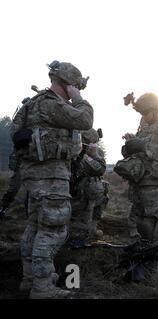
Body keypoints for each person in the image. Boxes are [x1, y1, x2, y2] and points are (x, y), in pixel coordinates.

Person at [11, 60, 93, 298]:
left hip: (33, 173)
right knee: (53, 230)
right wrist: (78, 99)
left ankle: (30, 278)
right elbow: (85, 120)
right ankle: (43, 287)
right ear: (68, 84)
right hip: (51, 174)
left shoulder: (32, 104)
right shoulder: (52, 105)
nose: (77, 90)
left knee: (35, 227)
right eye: (75, 86)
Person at [119, 92, 158, 278]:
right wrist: (132, 141)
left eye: (146, 113)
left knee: (151, 226)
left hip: (155, 183)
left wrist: (142, 146)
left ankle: (154, 271)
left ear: (155, 110)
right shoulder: (144, 127)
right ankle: (140, 264)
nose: (143, 118)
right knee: (135, 223)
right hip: (139, 181)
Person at [69, 128, 108, 243]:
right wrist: (89, 156)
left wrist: (92, 154)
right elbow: (99, 169)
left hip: (92, 192)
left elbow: (100, 169)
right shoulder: (77, 153)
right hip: (80, 194)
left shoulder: (92, 152)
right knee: (80, 221)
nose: (94, 144)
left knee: (91, 216)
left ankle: (90, 233)